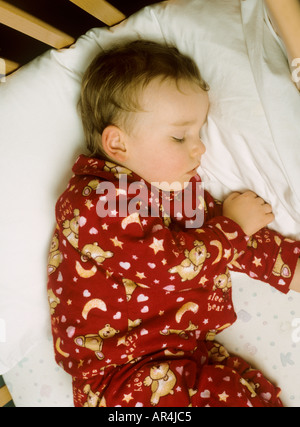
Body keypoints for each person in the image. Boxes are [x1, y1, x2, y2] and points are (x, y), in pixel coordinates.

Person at [47, 40, 300, 407]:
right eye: (180, 136)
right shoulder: (92, 203)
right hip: (120, 376)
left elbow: (225, 248)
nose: (200, 148)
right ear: (118, 144)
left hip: (182, 357)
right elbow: (173, 264)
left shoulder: (179, 196)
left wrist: (290, 267)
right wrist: (233, 227)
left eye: (199, 133)